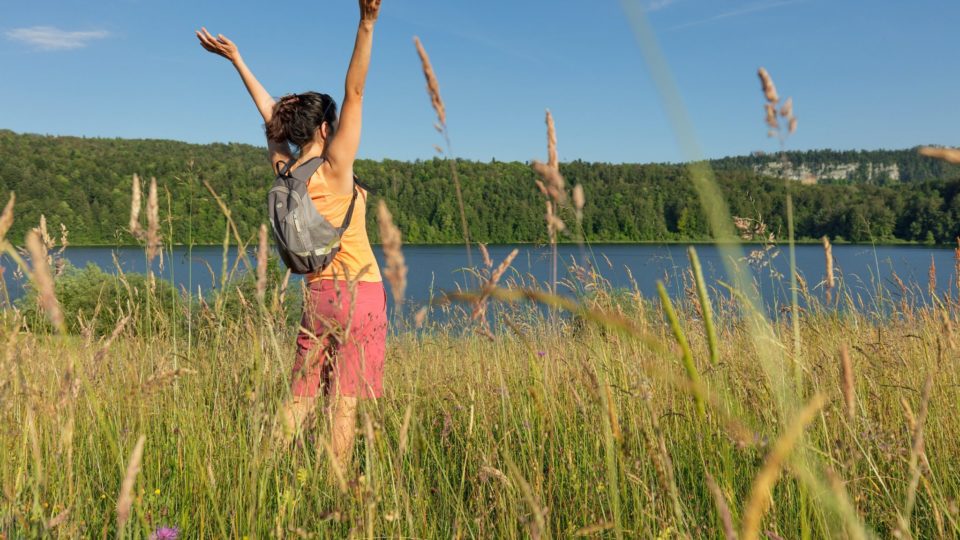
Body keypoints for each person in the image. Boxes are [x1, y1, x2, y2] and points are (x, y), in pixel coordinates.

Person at [196, 0, 385, 471]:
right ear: (325, 128)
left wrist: (238, 61)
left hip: (316, 296)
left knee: (301, 397)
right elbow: (356, 90)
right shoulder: (337, 166)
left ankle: (262, 474)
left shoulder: (286, 171)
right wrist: (366, 23)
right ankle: (335, 486)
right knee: (343, 404)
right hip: (359, 294)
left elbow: (268, 115)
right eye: (334, 122)